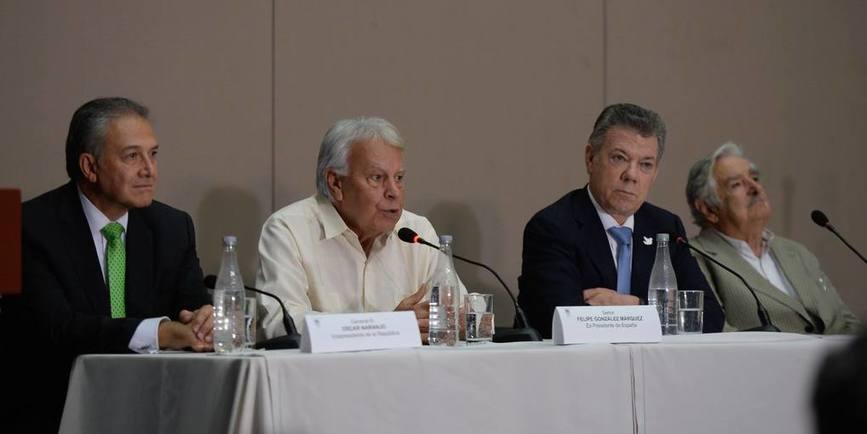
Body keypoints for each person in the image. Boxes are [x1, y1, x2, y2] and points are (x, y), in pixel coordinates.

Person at [3, 97, 214, 432]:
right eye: (132, 156)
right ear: (90, 166)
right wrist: (158, 333)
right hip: (54, 412)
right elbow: (54, 329)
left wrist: (205, 318)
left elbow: (191, 305)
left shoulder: (173, 227)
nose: (150, 169)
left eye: (153, 154)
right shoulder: (19, 225)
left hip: (156, 412)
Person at [518, 103, 724, 338]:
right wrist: (654, 315)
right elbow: (562, 320)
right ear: (590, 158)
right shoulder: (553, 227)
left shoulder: (665, 227)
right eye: (619, 158)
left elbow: (709, 316)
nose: (631, 175)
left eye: (645, 165)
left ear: (655, 173)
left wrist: (635, 306)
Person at [255, 117, 463, 341]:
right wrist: (388, 328)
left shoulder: (416, 231)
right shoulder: (288, 230)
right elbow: (283, 324)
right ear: (336, 183)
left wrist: (461, 319)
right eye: (377, 178)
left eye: (399, 178)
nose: (394, 192)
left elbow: (459, 312)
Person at [685, 142, 860, 334]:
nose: (755, 187)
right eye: (736, 184)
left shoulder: (796, 252)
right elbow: (717, 334)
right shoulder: (694, 257)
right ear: (709, 209)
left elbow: (845, 320)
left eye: (755, 178)